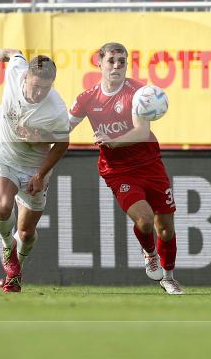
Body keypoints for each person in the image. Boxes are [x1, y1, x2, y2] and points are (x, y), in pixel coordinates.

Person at [69, 42, 184, 295]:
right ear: (99, 63)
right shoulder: (87, 98)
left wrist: (112, 141)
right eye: (111, 60)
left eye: (122, 61)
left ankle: (169, 277)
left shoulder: (139, 92)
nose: (117, 66)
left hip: (150, 164)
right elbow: (64, 126)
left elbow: (142, 132)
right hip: (118, 170)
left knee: (165, 227)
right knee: (144, 221)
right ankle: (150, 254)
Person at [0, 48, 70, 294]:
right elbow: (13, 52)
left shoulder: (56, 110)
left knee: (26, 231)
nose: (39, 93)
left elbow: (63, 144)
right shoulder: (16, 71)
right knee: (3, 208)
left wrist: (40, 174)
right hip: (5, 155)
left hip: (35, 167)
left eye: (45, 88)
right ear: (25, 77)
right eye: (35, 86)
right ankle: (7, 248)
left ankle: (14, 273)